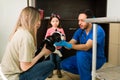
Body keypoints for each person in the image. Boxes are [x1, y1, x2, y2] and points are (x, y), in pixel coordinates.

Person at [1, 6, 55, 80]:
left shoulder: (19, 31)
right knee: (50, 64)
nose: (39, 23)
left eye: (40, 20)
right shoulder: (26, 37)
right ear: (28, 18)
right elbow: (25, 67)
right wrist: (42, 53)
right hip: (12, 77)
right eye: (37, 20)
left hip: (4, 73)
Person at [55, 9, 106, 80]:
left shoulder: (98, 30)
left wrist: (69, 45)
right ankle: (87, 75)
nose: (79, 23)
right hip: (83, 58)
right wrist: (62, 43)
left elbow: (86, 47)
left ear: (90, 20)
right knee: (64, 64)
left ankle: (85, 77)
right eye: (78, 20)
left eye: (82, 20)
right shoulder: (80, 31)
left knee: (81, 53)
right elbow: (70, 45)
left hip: (97, 59)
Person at [45, 13, 66, 78]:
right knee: (51, 60)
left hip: (59, 48)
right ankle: (51, 71)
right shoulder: (49, 30)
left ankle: (58, 70)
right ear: (50, 22)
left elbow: (64, 37)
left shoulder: (61, 29)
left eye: (57, 21)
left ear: (59, 22)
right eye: (53, 21)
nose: (55, 23)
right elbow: (46, 38)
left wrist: (63, 39)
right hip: (51, 48)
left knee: (58, 60)